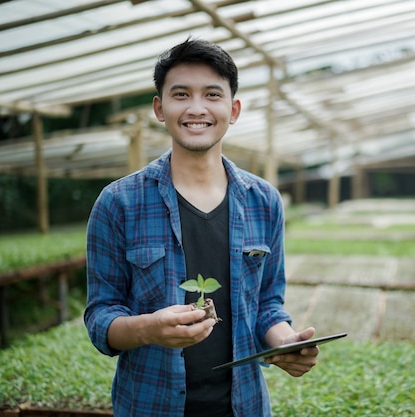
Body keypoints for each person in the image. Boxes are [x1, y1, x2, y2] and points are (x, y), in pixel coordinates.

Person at [84, 37, 319, 417]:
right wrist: (149, 328)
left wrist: (284, 342)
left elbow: (267, 306)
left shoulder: (264, 200)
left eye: (212, 95)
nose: (196, 108)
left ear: (234, 108)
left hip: (244, 405)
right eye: (181, 94)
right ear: (160, 108)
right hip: (150, 404)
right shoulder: (118, 202)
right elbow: (100, 318)